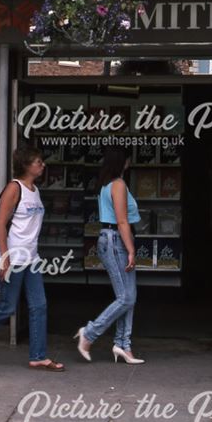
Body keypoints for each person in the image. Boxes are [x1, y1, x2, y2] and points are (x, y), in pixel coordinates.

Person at [0, 146, 65, 371]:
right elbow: (0, 223)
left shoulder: (34, 190)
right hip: (14, 257)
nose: (43, 165)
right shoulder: (14, 188)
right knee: (7, 307)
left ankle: (38, 356)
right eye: (38, 161)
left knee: (39, 305)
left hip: (31, 258)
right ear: (26, 165)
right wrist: (4, 256)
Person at [75, 147, 145, 364]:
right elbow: (122, 220)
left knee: (129, 296)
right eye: (128, 160)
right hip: (116, 240)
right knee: (125, 297)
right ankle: (89, 333)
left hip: (112, 239)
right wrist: (131, 249)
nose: (130, 163)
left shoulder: (107, 184)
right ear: (123, 162)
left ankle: (123, 345)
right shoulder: (118, 185)